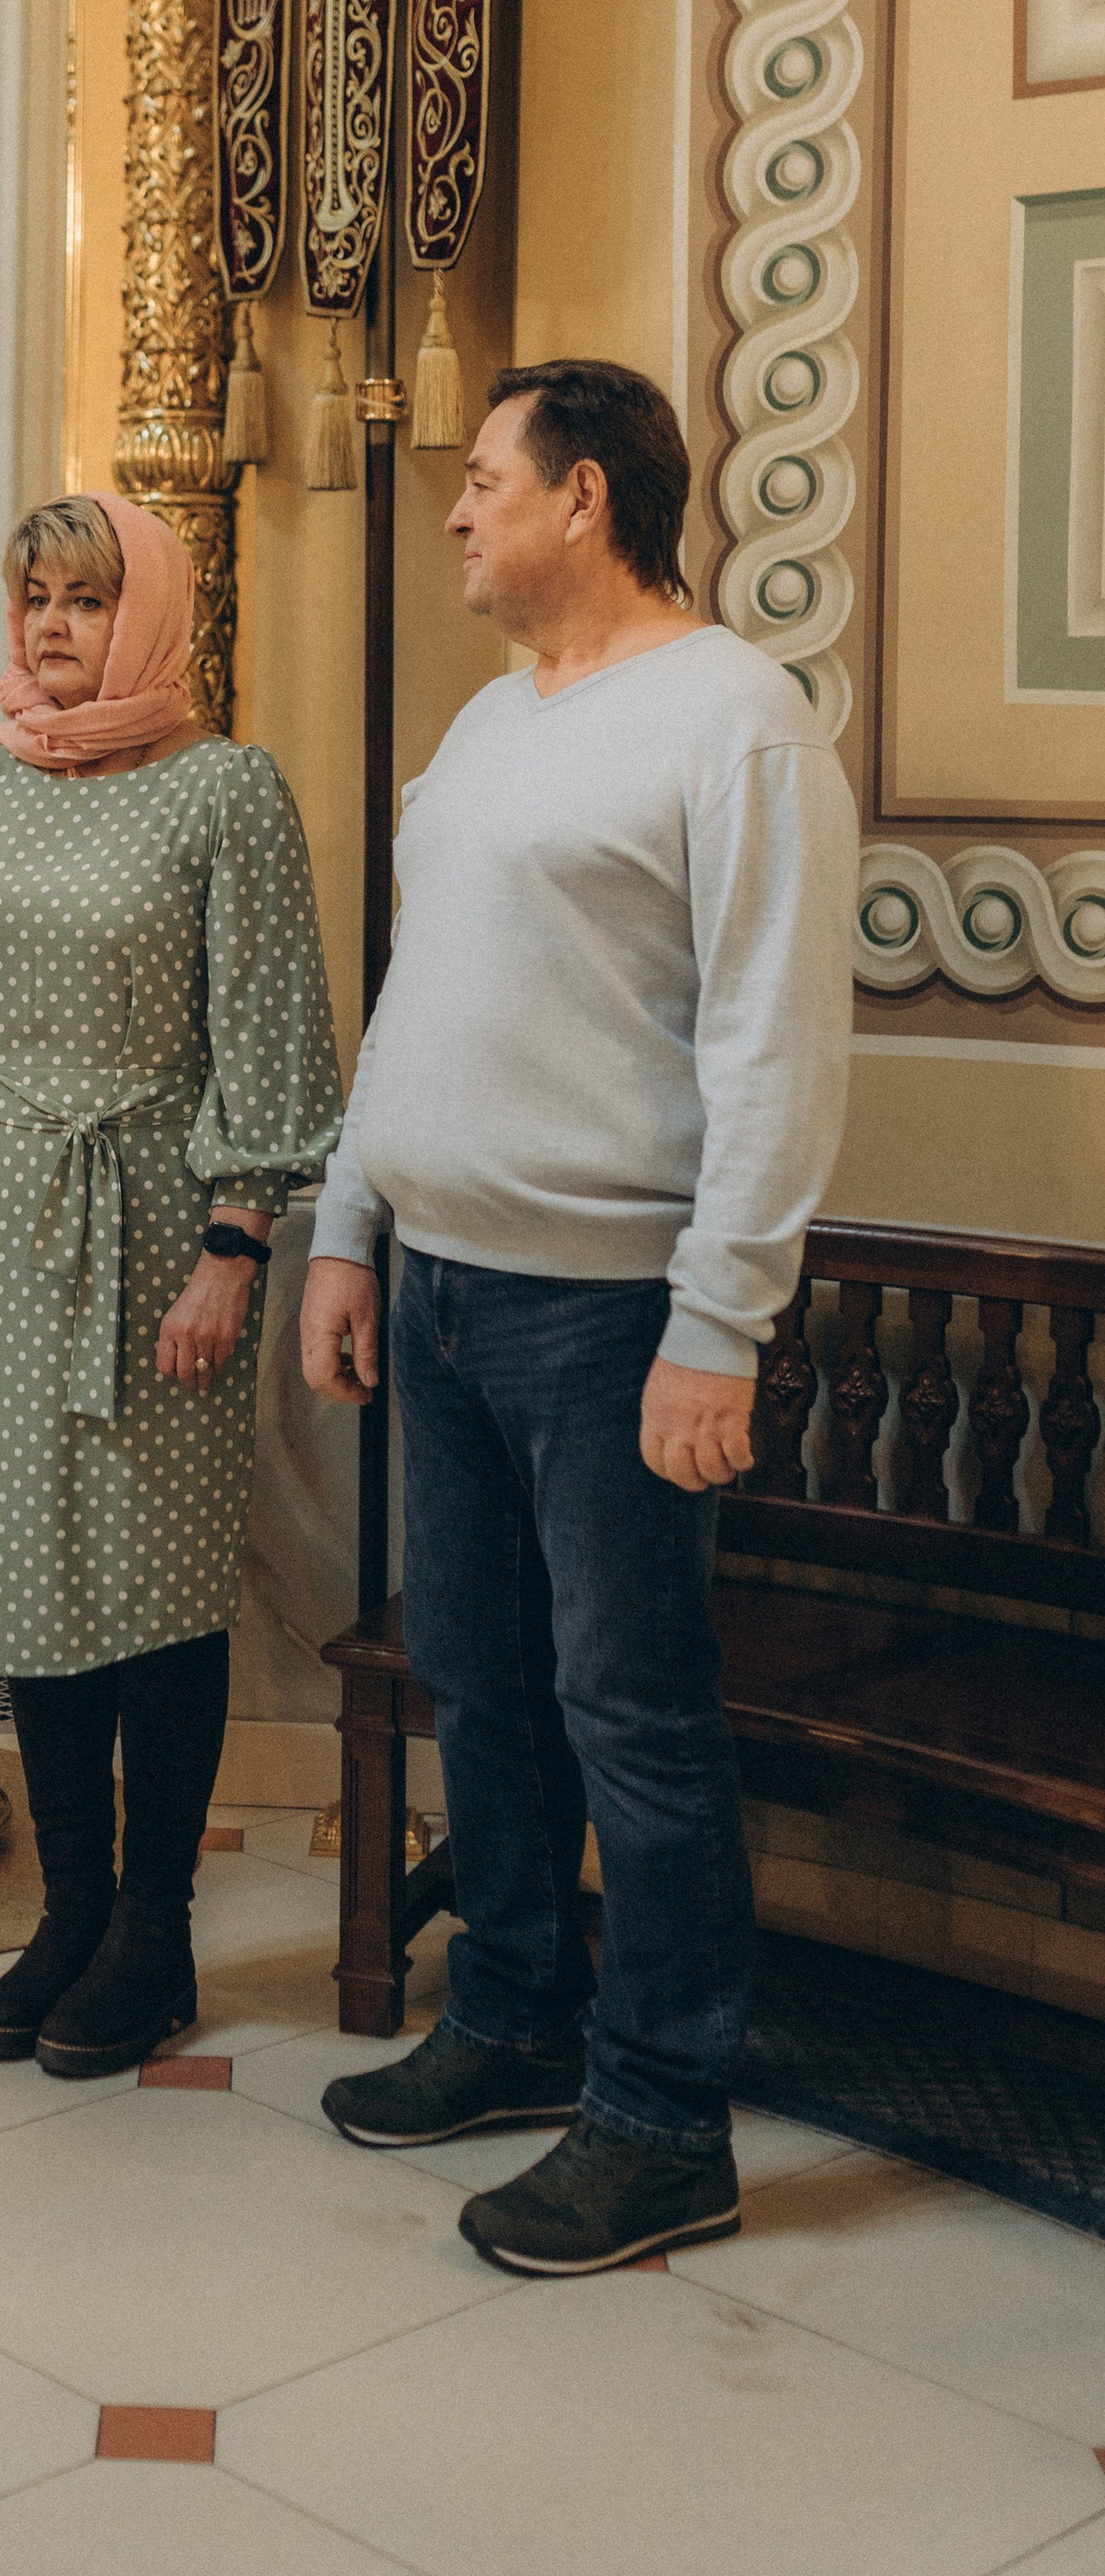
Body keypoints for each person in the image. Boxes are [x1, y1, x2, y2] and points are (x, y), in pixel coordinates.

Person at [300, 359, 858, 2278]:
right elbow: (413, 999)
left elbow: (771, 1049)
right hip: (446, 1289)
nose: (453, 511)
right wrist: (348, 1228)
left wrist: (722, 1323)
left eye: (479, 479)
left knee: (634, 1714)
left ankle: (659, 2119)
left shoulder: (733, 724)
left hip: (613, 1311)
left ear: (585, 501)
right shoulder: (480, 724)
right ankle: (516, 2015)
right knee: (480, 1681)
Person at [0, 495, 342, 2077]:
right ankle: (68, 1914)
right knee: (20, 1571)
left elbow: (270, 1032)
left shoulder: (226, 788)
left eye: (86, 597)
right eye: (35, 598)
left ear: (148, 614)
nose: (55, 626)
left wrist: (235, 1248)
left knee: (153, 1574)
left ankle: (157, 1930)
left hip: (156, 1223)